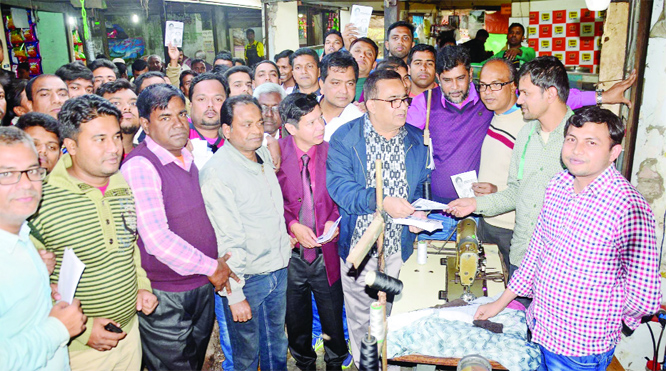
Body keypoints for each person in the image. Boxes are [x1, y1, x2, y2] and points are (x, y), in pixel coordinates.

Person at [474, 106, 661, 370]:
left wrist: (600, 319)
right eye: (571, 139)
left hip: (581, 350)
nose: (576, 149)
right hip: (539, 329)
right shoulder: (558, 185)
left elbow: (643, 295)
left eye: (591, 142)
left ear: (614, 153)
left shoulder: (628, 207)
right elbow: (536, 254)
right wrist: (498, 304)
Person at [28, 94, 157, 370]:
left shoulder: (120, 184)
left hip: (128, 335)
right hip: (79, 350)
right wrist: (83, 332)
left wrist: (141, 287)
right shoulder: (41, 202)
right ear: (71, 146)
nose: (114, 148)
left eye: (115, 136)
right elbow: (32, 288)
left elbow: (128, 245)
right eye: (100, 140)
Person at [121, 83, 234, 370]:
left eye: (181, 115)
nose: (178, 124)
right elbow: (157, 239)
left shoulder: (186, 158)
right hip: (167, 294)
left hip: (200, 284)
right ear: (145, 124)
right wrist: (212, 266)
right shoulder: (141, 165)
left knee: (194, 361)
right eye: (165, 117)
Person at [326, 70, 430, 365]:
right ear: (371, 104)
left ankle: (392, 362)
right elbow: (341, 190)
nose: (402, 106)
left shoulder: (414, 138)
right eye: (393, 100)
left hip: (400, 248)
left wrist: (418, 210)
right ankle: (366, 365)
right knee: (363, 320)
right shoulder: (346, 139)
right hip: (361, 251)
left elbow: (423, 179)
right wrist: (381, 202)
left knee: (395, 315)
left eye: (404, 99)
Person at [200, 95, 291, 371]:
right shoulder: (217, 173)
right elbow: (226, 238)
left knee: (276, 345)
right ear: (227, 131)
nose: (256, 130)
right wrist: (235, 295)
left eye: (259, 123)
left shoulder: (261, 154)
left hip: (276, 268)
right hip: (246, 277)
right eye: (246, 124)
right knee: (246, 356)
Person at [0, 126, 87, 371]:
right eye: (6, 174)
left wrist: (41, 293)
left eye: (32, 171)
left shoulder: (20, 233)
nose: (26, 184)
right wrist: (58, 329)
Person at [277, 93, 350, 370]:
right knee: (296, 320)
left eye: (320, 118)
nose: (320, 126)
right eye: (311, 123)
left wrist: (335, 220)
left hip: (325, 252)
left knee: (332, 316)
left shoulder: (333, 152)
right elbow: (271, 202)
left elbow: (343, 197)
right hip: (291, 256)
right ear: (291, 128)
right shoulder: (274, 154)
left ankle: (335, 361)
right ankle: (304, 362)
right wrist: (291, 224)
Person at [470, 58, 522, 274]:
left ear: (513, 86)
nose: (487, 91)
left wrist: (498, 192)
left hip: (510, 227)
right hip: (486, 220)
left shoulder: (527, 125)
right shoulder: (490, 116)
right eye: (482, 85)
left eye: (496, 85)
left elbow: (536, 185)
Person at [318, 51, 363, 141]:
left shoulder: (360, 121)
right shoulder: (305, 110)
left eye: (350, 83)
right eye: (336, 83)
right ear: (322, 84)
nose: (344, 91)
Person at [188, 72, 229, 168]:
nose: (210, 104)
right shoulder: (180, 135)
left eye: (218, 99)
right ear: (191, 105)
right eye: (202, 99)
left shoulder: (235, 138)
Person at [97, 79, 141, 157]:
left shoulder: (150, 156)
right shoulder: (94, 158)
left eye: (133, 103)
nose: (127, 107)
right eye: (116, 103)